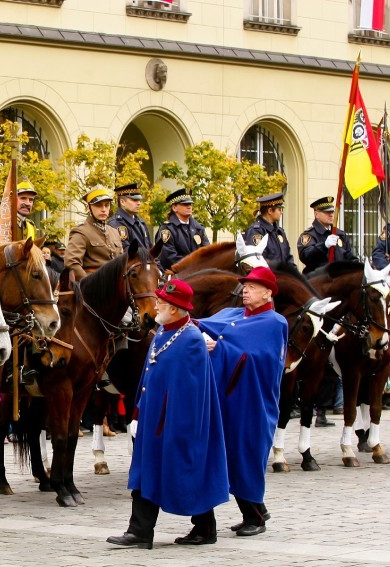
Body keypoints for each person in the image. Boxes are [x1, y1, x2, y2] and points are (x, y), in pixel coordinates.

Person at [106, 280, 228, 549]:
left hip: (176, 423)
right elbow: (149, 377)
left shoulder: (192, 340)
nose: (156, 304)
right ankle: (140, 531)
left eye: (161, 301)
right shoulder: (162, 332)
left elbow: (193, 393)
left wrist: (179, 428)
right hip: (153, 419)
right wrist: (137, 412)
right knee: (145, 471)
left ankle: (205, 527)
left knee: (186, 471)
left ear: (174, 309)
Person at [198, 266, 288, 536]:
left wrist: (220, 346)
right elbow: (200, 325)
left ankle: (256, 517)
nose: (245, 290)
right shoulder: (233, 313)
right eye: (244, 286)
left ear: (268, 293)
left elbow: (262, 357)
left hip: (253, 400)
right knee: (230, 453)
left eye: (252, 286)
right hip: (227, 396)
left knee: (246, 452)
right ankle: (255, 510)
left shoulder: (274, 322)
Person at [64, 186, 124, 280]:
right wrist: (88, 283)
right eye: (98, 205)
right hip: (94, 286)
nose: (103, 209)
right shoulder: (81, 232)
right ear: (89, 208)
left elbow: (122, 262)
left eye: (106, 205)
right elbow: (72, 262)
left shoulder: (114, 232)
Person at [297, 196, 359, 274]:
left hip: (337, 279)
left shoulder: (340, 234)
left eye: (332, 212)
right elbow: (305, 256)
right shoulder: (309, 235)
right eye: (327, 212)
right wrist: (323, 246)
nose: (331, 215)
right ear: (316, 214)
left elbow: (349, 256)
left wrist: (359, 266)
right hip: (318, 281)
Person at [155, 189, 210, 272]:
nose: (189, 206)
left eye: (190, 204)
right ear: (174, 208)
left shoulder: (198, 228)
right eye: (185, 204)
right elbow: (169, 256)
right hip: (175, 274)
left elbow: (207, 251)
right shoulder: (167, 229)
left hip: (198, 273)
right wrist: (193, 266)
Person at [243, 192, 296, 268]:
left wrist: (295, 274)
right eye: (279, 209)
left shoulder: (279, 232)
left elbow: (288, 257)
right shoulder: (256, 231)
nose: (281, 212)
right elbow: (257, 261)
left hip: (283, 278)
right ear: (270, 211)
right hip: (268, 277)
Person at [0, 180, 39, 249]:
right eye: (23, 198)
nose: (27, 203)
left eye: (31, 200)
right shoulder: (0, 223)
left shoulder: (31, 226)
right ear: (12, 200)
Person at [108, 183, 152, 250]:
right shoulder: (115, 224)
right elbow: (126, 253)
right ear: (122, 202)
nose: (139, 203)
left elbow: (149, 248)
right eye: (134, 200)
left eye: (139, 200)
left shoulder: (141, 222)